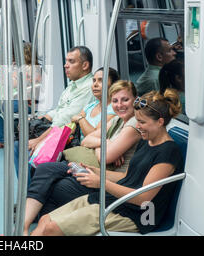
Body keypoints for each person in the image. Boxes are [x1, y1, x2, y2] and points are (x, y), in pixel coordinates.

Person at [31, 88, 183, 236]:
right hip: (117, 201)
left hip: (138, 215)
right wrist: (95, 171)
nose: (137, 126)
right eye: (137, 121)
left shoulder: (168, 152)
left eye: (142, 122)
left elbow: (143, 198)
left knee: (51, 228)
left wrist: (101, 183)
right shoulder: (147, 141)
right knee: (45, 219)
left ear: (160, 122)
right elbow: (127, 176)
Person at [23, 80, 141, 235]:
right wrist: (106, 142)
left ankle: (38, 230)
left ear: (135, 100)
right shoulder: (117, 121)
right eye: (115, 101)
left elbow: (104, 158)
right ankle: (24, 227)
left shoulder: (133, 124)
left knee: (56, 187)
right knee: (45, 168)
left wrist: (103, 147)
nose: (120, 105)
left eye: (125, 100)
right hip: (98, 168)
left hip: (111, 178)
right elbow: (87, 140)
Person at [14, 46, 96, 178]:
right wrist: (41, 118)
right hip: (59, 129)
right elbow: (59, 110)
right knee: (20, 139)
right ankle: (27, 190)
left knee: (22, 147)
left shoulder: (87, 88)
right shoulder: (73, 85)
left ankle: (29, 193)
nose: (65, 65)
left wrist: (40, 140)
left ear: (85, 65)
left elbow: (65, 121)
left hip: (68, 135)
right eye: (66, 61)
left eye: (71, 61)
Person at [70, 67, 119, 140]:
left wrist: (80, 119)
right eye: (94, 80)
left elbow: (92, 136)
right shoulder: (90, 106)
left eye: (101, 80)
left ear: (113, 85)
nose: (95, 84)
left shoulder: (114, 110)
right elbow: (73, 124)